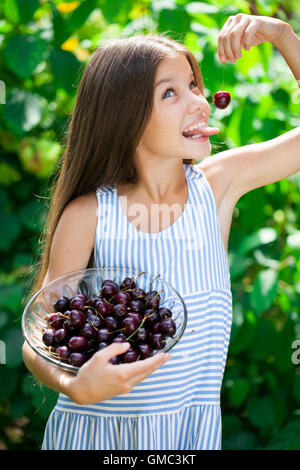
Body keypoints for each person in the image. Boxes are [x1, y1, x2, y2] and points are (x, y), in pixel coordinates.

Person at [22, 13, 300, 450]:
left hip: (187, 438)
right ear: (124, 116)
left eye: (194, 85)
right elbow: (41, 338)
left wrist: (283, 36)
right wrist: (73, 386)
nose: (198, 101)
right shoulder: (90, 214)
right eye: (170, 92)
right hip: (97, 437)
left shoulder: (216, 187)